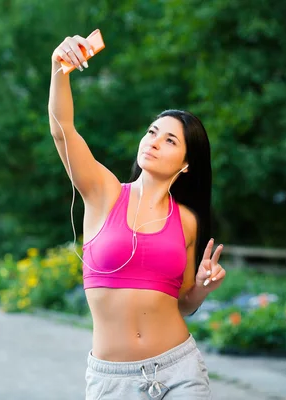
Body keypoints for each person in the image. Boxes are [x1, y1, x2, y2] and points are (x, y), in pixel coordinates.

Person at [48, 32, 227, 399]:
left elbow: (184, 304)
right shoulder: (104, 192)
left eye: (170, 141)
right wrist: (59, 70)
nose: (154, 142)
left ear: (187, 164)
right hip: (113, 381)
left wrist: (203, 289)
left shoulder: (187, 222)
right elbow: (62, 130)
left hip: (180, 370)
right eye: (152, 132)